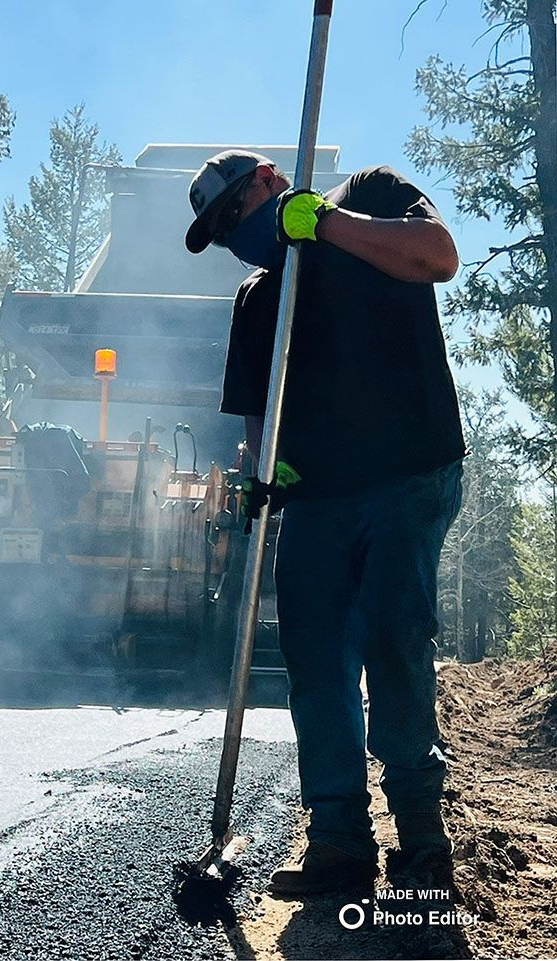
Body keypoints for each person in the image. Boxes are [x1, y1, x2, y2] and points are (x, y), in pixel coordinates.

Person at [185, 149, 466, 895]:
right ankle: (339, 841)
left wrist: (328, 225)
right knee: (314, 658)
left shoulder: (371, 196)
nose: (233, 238)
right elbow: (256, 426)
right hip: (320, 498)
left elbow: (437, 256)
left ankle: (421, 838)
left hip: (410, 472)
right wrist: (262, 470)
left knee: (392, 636)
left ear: (273, 182)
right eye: (220, 234)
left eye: (234, 217)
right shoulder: (255, 301)